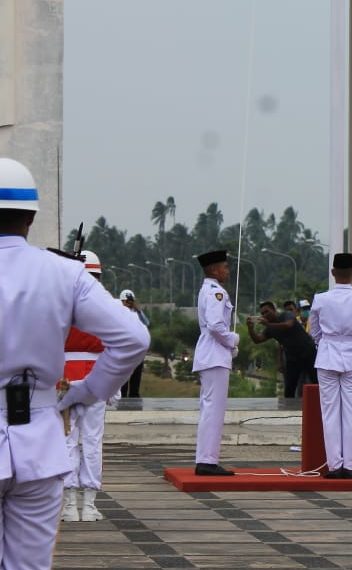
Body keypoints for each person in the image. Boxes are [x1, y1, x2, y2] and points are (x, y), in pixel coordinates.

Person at [0, 157, 149, 568]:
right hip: (39, 436)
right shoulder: (65, 273)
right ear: (31, 217)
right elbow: (134, 337)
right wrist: (90, 390)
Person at [59, 250, 128, 523]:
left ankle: (68, 505)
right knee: (92, 441)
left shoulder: (61, 303)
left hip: (64, 379)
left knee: (67, 441)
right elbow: (119, 348)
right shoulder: (110, 305)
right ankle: (88, 505)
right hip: (98, 378)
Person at [308, 253, 352, 479]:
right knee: (351, 412)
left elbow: (314, 331)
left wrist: (324, 345)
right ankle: (350, 466)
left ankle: (333, 466)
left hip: (327, 355)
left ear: (332, 273)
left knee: (330, 412)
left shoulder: (321, 298)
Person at [192, 249, 240, 476]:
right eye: (225, 267)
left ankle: (206, 459)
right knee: (214, 410)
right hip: (214, 356)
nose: (228, 270)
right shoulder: (216, 292)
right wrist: (233, 339)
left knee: (210, 409)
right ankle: (207, 461)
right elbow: (215, 325)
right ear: (214, 269)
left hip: (210, 355)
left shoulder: (208, 290)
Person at [247, 301, 319, 398]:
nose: (265, 315)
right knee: (289, 388)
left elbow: (288, 325)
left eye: (267, 312)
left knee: (317, 382)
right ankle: (289, 410)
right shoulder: (270, 328)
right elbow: (258, 340)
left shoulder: (286, 315)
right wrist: (250, 329)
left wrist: (268, 324)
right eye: (262, 314)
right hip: (292, 358)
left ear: (274, 310)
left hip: (308, 353)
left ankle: (322, 407)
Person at [118, 289, 150, 398]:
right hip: (124, 350)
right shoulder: (118, 312)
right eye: (126, 301)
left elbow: (146, 323)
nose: (128, 303)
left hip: (137, 350)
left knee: (136, 375)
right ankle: (122, 396)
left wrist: (138, 310)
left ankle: (134, 396)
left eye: (130, 301)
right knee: (124, 377)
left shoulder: (137, 313)